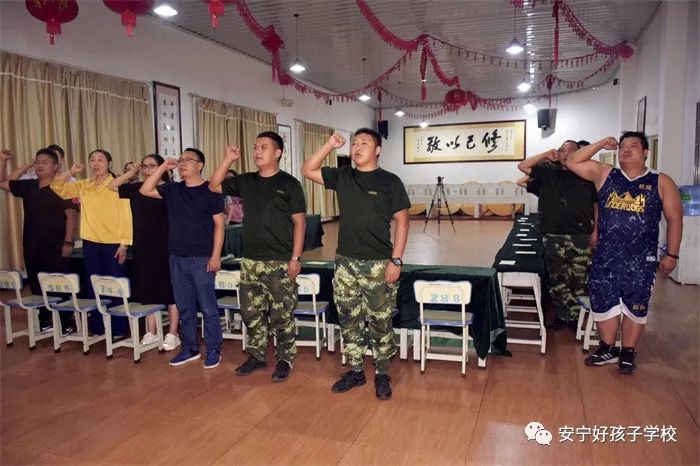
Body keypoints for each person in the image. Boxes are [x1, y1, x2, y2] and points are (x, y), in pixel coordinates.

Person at [302, 128, 410, 400]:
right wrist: (329, 145)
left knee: (380, 320)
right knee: (349, 318)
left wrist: (396, 259)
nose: (357, 147)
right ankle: (356, 370)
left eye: (365, 143)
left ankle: (382, 372)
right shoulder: (343, 176)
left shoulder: (390, 181)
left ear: (378, 150)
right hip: (345, 263)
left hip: (378, 263)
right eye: (354, 143)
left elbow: (402, 221)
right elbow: (308, 170)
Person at [566, 132, 683, 374]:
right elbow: (572, 161)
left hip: (641, 259)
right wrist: (601, 144)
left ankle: (628, 351)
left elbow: (674, 219)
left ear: (646, 152)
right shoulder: (606, 174)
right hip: (606, 255)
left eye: (633, 146)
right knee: (603, 300)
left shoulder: (661, 181)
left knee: (635, 304)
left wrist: (672, 255)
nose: (626, 150)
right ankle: (608, 348)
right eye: (622, 146)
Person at [209, 132, 306, 382]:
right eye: (255, 147)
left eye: (264, 147)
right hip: (251, 260)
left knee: (282, 314)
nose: (257, 151)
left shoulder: (290, 184)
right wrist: (228, 160)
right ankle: (257, 355)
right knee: (251, 312)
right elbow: (214, 185)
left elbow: (299, 223)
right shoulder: (246, 181)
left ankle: (285, 359)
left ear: (277, 153)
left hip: (280, 260)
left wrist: (295, 257)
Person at [140, 148, 225, 369]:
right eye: (180, 160)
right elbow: (145, 189)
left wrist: (215, 256)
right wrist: (163, 167)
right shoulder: (173, 189)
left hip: (201, 259)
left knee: (208, 307)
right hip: (176, 258)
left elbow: (219, 225)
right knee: (185, 307)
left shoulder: (211, 190)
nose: (183, 163)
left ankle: (213, 349)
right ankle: (190, 348)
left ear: (200, 165)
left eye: (188, 160)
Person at [51, 149, 132, 339]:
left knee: (114, 285)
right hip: (90, 243)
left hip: (113, 243)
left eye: (100, 160)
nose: (96, 163)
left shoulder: (117, 185)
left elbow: (126, 216)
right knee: (93, 284)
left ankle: (118, 328)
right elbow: (56, 187)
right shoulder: (84, 184)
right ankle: (98, 327)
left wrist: (124, 244)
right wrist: (71, 172)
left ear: (109, 163)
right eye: (92, 160)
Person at [517, 140, 598, 330]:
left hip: (580, 236)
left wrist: (596, 230)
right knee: (557, 278)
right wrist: (546, 154)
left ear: (580, 153)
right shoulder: (548, 173)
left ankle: (576, 317)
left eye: (572, 150)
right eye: (563, 150)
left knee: (579, 278)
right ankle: (563, 316)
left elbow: (596, 206)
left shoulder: (588, 175)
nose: (566, 153)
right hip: (553, 235)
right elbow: (523, 166)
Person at [0, 148, 77, 333]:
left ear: (56, 166)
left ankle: (66, 321)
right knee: (37, 283)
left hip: (57, 245)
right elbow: (3, 183)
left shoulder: (62, 186)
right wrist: (3, 161)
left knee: (58, 283)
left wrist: (68, 242)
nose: (39, 165)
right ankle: (45, 318)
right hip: (32, 244)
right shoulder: (29, 186)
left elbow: (71, 216)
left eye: (44, 162)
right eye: (37, 162)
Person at [108, 154, 180, 351]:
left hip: (166, 245)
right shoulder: (136, 188)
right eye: (145, 166)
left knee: (170, 290)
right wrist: (131, 172)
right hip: (143, 245)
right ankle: (151, 331)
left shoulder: (169, 188)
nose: (147, 169)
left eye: (152, 166)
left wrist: (162, 168)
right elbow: (112, 185)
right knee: (148, 288)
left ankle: (173, 333)